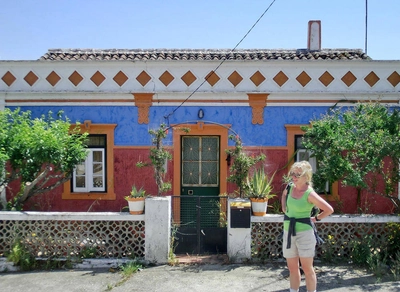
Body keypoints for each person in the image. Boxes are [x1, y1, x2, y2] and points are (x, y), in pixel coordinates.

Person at [281, 161, 334, 292]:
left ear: (306, 177)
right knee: (292, 269)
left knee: (307, 269)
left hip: (304, 234)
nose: (294, 177)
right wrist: (283, 206)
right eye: (293, 173)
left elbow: (329, 209)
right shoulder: (289, 187)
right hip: (288, 232)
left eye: (298, 174)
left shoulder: (309, 194)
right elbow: (283, 195)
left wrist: (316, 218)